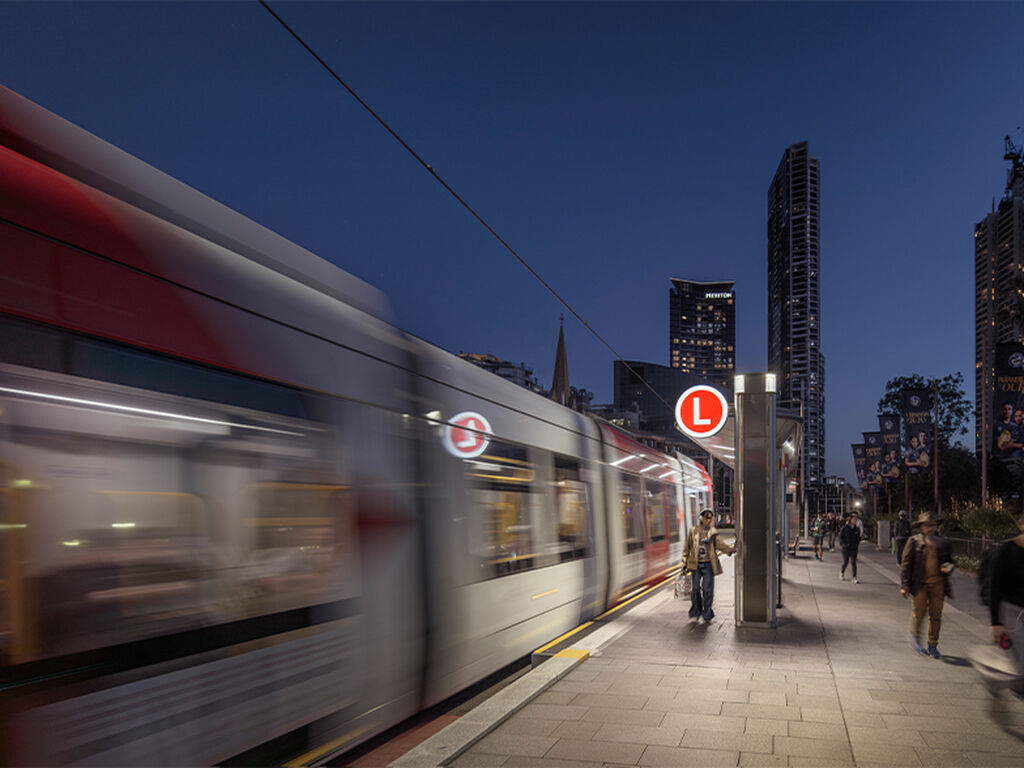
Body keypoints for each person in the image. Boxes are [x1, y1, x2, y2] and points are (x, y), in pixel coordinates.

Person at [900, 512, 954, 658]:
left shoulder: (944, 542)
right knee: (919, 613)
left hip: (938, 584)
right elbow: (906, 564)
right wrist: (905, 585)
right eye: (927, 525)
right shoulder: (914, 541)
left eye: (932, 525)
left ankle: (933, 644)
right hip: (920, 584)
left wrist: (947, 567)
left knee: (936, 615)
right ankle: (916, 637)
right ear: (921, 527)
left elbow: (951, 562)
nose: (930, 528)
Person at [682, 508, 736, 624]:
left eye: (710, 518)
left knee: (707, 590)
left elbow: (720, 544)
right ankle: (695, 611)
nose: (709, 520)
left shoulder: (713, 532)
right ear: (701, 518)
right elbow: (688, 546)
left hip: (708, 564)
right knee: (695, 589)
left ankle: (707, 614)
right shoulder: (693, 531)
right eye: (707, 517)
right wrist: (684, 560)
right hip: (695, 564)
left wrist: (729, 550)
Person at [839, 514, 861, 583]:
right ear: (850, 520)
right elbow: (841, 537)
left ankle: (854, 577)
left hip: (854, 548)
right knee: (846, 562)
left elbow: (858, 538)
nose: (855, 521)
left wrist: (856, 545)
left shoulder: (857, 529)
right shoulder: (845, 528)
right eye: (853, 519)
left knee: (853, 563)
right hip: (846, 548)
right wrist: (843, 544)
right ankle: (842, 572)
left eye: (856, 520)